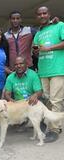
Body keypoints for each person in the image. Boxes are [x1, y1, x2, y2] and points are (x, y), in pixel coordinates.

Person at [33, 6, 64, 141]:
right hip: (43, 70)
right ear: (37, 17)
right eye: (39, 14)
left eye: (44, 13)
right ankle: (53, 124)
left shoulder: (60, 25)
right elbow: (36, 48)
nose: (42, 16)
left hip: (57, 69)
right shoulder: (38, 33)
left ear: (49, 14)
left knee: (56, 100)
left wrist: (49, 48)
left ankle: (54, 130)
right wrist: (36, 51)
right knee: (47, 100)